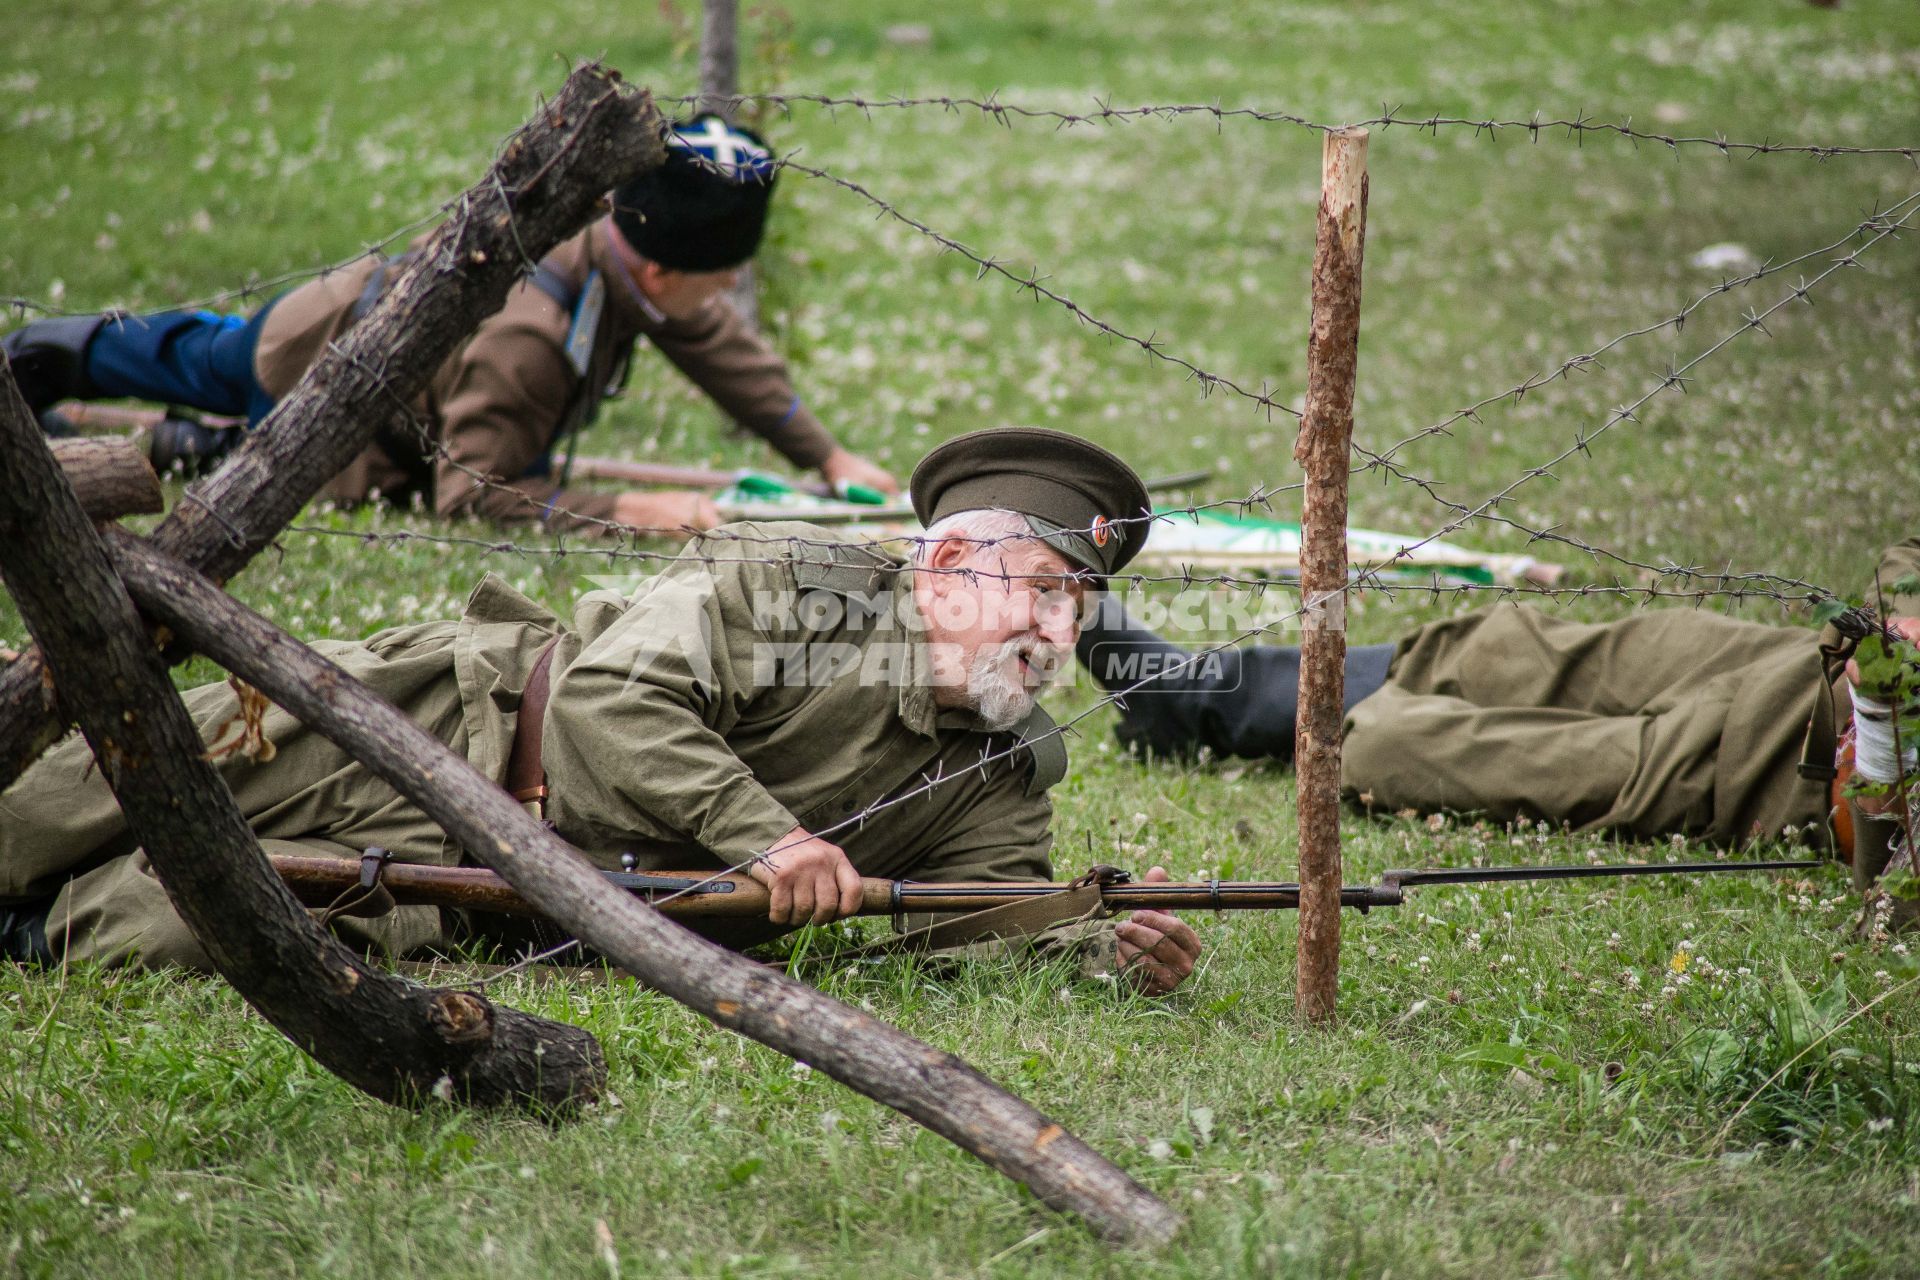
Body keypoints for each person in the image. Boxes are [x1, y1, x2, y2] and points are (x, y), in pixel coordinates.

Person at [0, 428, 1201, 994]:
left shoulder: (997, 764)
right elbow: (607, 699)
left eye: (1080, 609)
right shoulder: (792, 586)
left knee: (160, 933)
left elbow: (969, 923)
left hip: (497, 900)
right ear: (941, 571)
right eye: (1040, 591)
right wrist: (768, 838)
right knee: (54, 793)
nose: (1059, 634)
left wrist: (1098, 944)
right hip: (429, 740)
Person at [0, 114, 897, 533]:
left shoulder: (628, 260)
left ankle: (151, 445)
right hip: (313, 354)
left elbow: (711, 341)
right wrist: (631, 508)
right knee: (202, 361)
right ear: (662, 270)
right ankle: (41, 357)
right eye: (724, 276)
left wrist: (826, 458)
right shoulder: (533, 341)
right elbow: (472, 495)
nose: (730, 294)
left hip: (393, 428)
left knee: (238, 451)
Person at [1076, 538, 1920, 901]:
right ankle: (1192, 694)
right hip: (1801, 669)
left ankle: (1191, 702)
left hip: (1782, 774)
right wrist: (1905, 623)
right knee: (1496, 646)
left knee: (1399, 750)